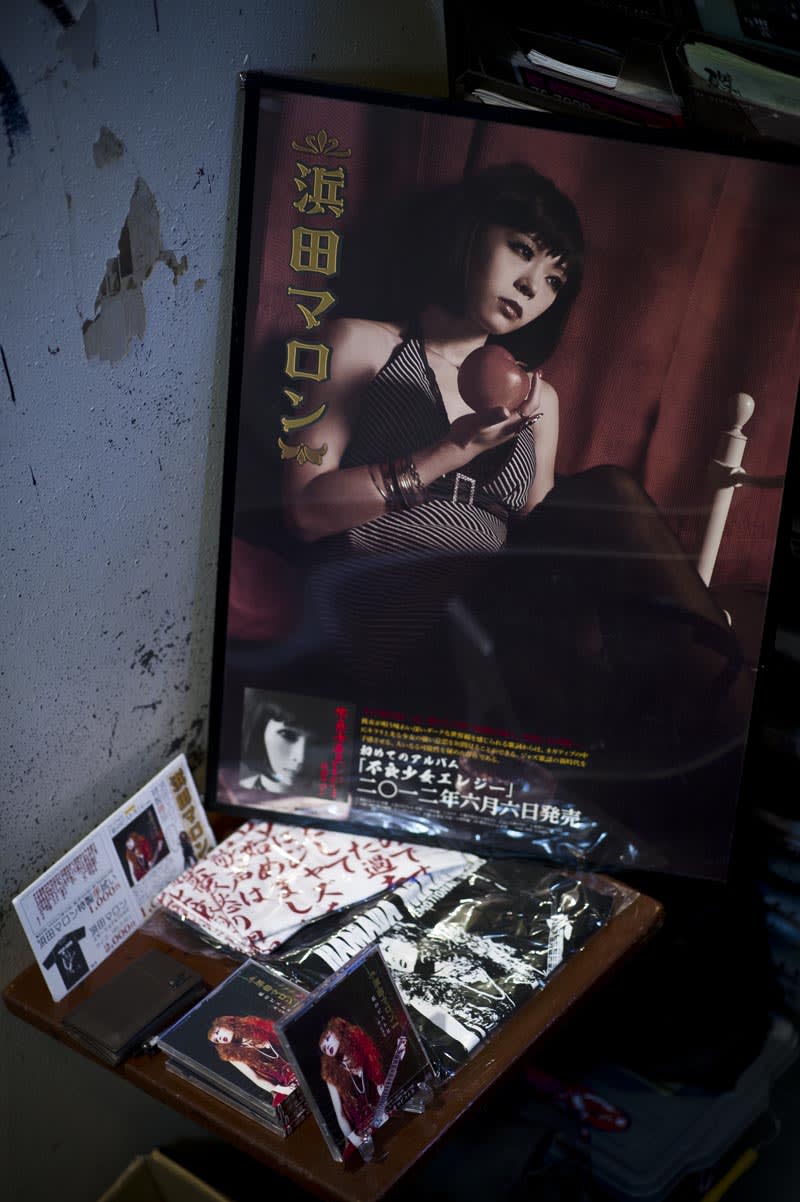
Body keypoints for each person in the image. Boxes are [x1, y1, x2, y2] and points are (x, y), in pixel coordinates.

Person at [279, 162, 748, 765]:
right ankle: (726, 717)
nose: (531, 287)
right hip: (394, 626)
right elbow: (303, 512)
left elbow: (545, 536)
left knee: (605, 501)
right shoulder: (357, 345)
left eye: (553, 279)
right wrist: (453, 451)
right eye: (522, 250)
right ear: (470, 233)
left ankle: (717, 718)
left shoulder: (538, 399)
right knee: (603, 515)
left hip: (497, 629)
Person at [318, 1016, 387, 1150]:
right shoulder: (332, 1075)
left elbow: (384, 1087)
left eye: (328, 1039)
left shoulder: (365, 1053)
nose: (327, 1046)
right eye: (324, 1048)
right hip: (360, 1133)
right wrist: (352, 1138)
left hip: (382, 1119)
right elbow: (340, 1115)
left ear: (338, 1031)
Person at [207, 1015, 297, 1099]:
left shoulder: (252, 1023)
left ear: (226, 1024)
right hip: (287, 1084)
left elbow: (283, 1034)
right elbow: (257, 1079)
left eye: (218, 1032)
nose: (220, 1038)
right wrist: (283, 1090)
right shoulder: (232, 1056)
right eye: (216, 1040)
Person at [239, 694, 311, 795]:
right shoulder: (234, 789)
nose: (300, 759)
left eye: (315, 743)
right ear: (261, 732)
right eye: (288, 735)